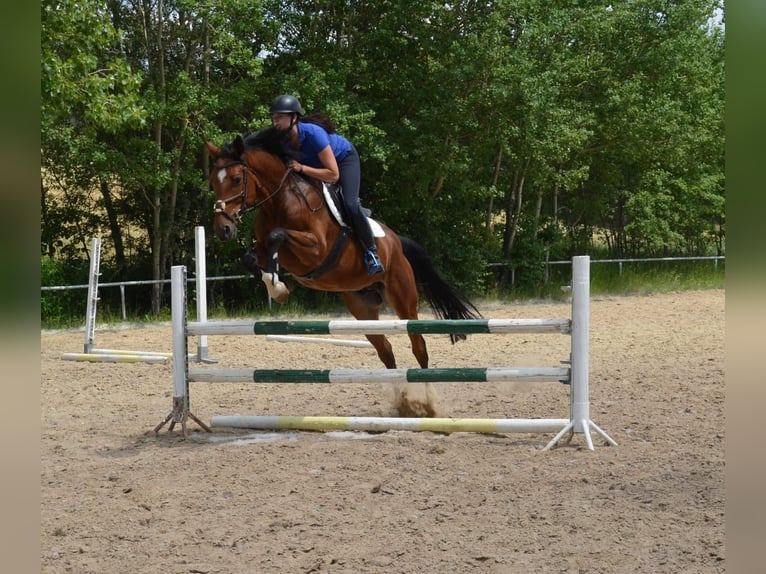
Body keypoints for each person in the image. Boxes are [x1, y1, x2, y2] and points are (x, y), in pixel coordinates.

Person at [269, 94, 384, 275]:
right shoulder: (280, 140)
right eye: (274, 118)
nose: (275, 122)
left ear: (294, 118)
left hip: (342, 161)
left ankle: (371, 252)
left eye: (279, 117)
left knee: (350, 204)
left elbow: (333, 174)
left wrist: (301, 168)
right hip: (313, 167)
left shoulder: (314, 134)